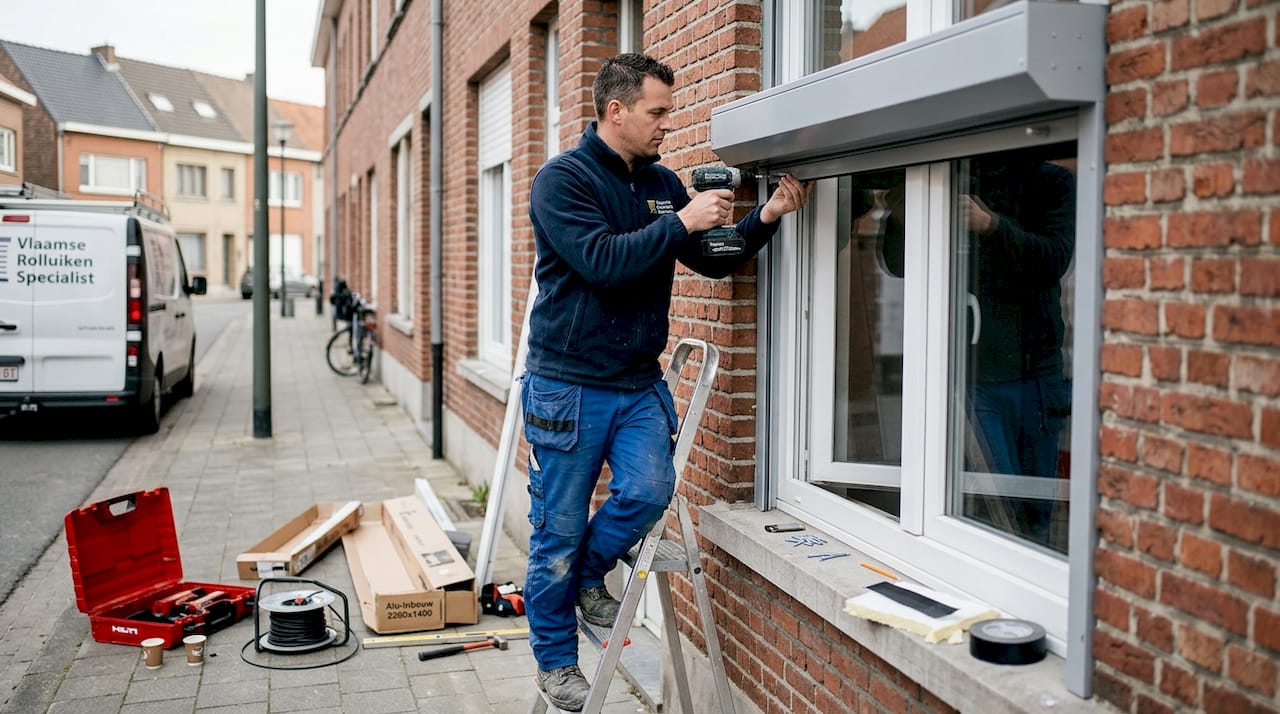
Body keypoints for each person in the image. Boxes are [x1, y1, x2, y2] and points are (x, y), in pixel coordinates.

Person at [523, 53, 810, 711]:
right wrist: (679, 222)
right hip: (567, 386)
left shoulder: (659, 182)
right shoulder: (561, 181)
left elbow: (709, 259)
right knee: (557, 531)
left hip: (635, 384)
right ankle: (556, 661)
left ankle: (590, 574)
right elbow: (601, 263)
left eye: (668, 113)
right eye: (657, 113)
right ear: (616, 110)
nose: (666, 126)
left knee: (651, 489)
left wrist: (763, 219)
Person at [882, 152, 1075, 543]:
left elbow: (1054, 259)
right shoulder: (953, 175)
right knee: (994, 501)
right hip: (972, 372)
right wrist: (902, 220)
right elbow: (899, 264)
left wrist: (991, 226)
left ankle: (1030, 589)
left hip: (1036, 371)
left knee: (1036, 506)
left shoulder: (1051, 182)